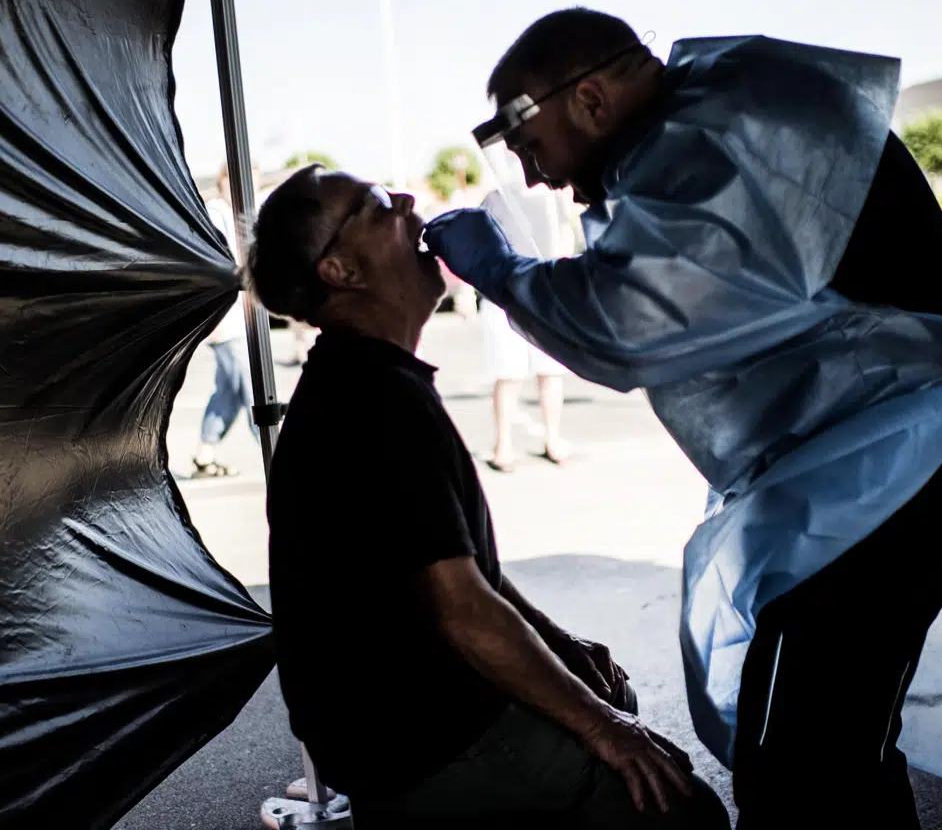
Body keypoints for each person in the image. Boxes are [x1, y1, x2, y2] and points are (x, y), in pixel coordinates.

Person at [422, 9, 942, 827]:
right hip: (900, 456)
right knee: (831, 747)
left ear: (591, 100)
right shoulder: (719, 103)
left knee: (803, 761)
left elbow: (625, 324)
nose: (532, 179)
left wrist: (492, 262)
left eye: (529, 146)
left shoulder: (709, 141)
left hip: (900, 468)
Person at [248, 165, 728, 829]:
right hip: (423, 741)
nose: (410, 200)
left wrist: (562, 645)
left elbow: (460, 570)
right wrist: (607, 731)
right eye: (379, 202)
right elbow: (464, 612)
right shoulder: (376, 399)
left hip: (393, 733)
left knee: (607, 701)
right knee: (682, 807)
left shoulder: (364, 379)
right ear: (340, 270)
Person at [479, 183, 575, 472]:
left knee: (550, 372)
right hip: (503, 297)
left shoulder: (554, 197)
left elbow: (565, 238)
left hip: (544, 293)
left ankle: (553, 438)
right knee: (508, 374)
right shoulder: (494, 198)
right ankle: (504, 444)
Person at [192, 175, 257, 477]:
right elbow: (211, 267)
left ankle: (205, 455)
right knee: (254, 389)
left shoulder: (235, 217)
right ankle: (280, 454)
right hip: (226, 322)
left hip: (235, 321)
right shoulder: (216, 216)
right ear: (224, 183)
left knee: (228, 392)